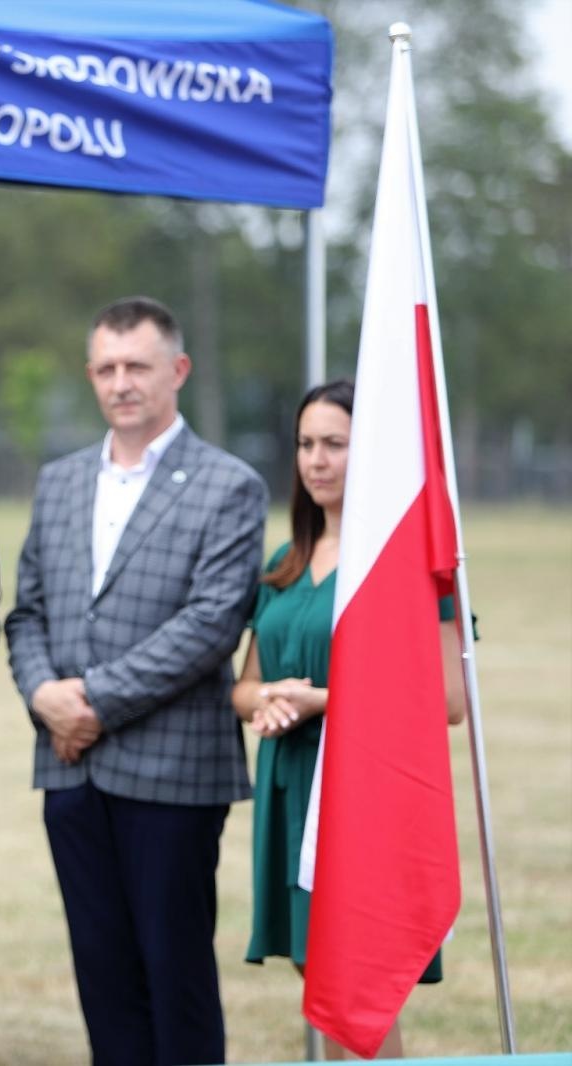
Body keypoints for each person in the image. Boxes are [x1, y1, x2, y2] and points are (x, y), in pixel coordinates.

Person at [5, 296, 267, 1065]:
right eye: (107, 368)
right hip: (68, 767)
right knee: (102, 977)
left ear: (177, 371)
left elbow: (212, 624)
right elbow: (28, 614)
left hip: (173, 774)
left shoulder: (229, 485)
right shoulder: (57, 483)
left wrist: (92, 700)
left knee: (175, 976)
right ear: (91, 375)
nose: (121, 383)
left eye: (138, 366)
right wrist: (42, 693)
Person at [233, 379, 466, 1061]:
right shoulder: (286, 559)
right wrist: (270, 698)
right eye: (306, 444)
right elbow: (244, 688)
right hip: (289, 788)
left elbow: (447, 699)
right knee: (318, 978)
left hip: (359, 794)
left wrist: (323, 701)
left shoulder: (406, 564)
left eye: (336, 443)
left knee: (359, 988)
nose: (317, 460)